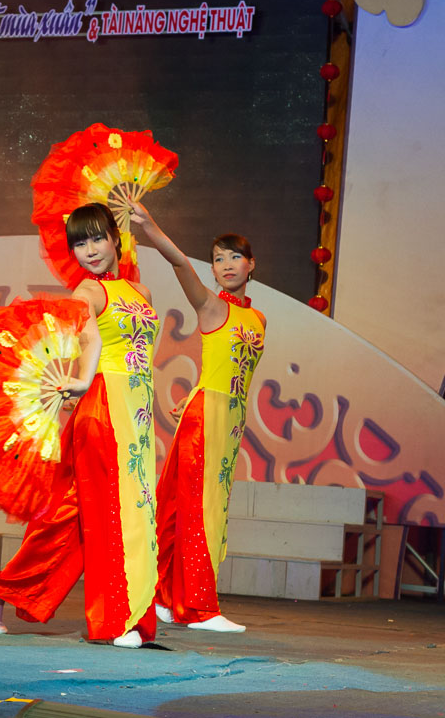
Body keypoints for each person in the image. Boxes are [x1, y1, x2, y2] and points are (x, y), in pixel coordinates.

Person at [0, 203, 160, 648]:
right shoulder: (87, 293)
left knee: (76, 519)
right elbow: (88, 335)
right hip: (101, 410)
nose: (90, 251)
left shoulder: (142, 292)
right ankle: (118, 620)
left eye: (96, 238)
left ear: (117, 239)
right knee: (110, 517)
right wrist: (81, 377)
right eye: (79, 243)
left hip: (135, 414)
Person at [128, 201, 265, 633]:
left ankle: (168, 599)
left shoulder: (257, 317)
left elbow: (226, 367)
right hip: (207, 419)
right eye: (218, 258)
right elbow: (179, 262)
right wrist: (150, 226)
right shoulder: (210, 306)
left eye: (233, 257)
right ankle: (199, 608)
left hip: (227, 419)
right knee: (200, 512)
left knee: (189, 510)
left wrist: (190, 394)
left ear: (250, 264)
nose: (225, 264)